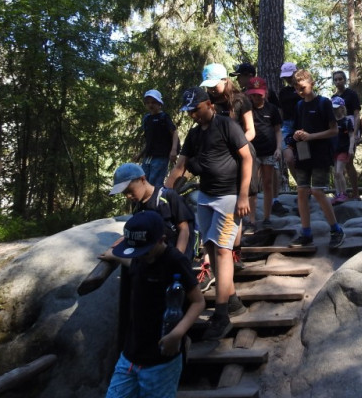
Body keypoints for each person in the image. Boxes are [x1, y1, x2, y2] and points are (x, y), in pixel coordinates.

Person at [164, 86, 252, 340]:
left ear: (209, 105)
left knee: (223, 250)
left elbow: (246, 158)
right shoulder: (194, 134)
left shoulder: (226, 125)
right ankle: (232, 301)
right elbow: (181, 166)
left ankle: (221, 315)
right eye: (189, 111)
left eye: (197, 109)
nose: (193, 115)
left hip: (228, 196)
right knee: (210, 248)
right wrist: (164, 193)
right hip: (206, 197)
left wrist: (243, 195)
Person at [101, 210, 204, 398]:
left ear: (161, 240)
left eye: (144, 251)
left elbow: (198, 302)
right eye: (136, 252)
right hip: (130, 354)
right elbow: (132, 262)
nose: (140, 256)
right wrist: (114, 255)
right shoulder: (140, 257)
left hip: (161, 359)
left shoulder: (175, 261)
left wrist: (177, 334)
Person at [288, 69, 345, 248]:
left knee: (318, 191)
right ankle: (306, 233)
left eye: (302, 87)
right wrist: (296, 135)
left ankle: (336, 230)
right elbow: (296, 128)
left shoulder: (324, 103)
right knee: (301, 191)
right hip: (303, 153)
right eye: (297, 88)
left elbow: (334, 130)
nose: (300, 91)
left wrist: (311, 136)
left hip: (321, 153)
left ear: (311, 84)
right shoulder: (299, 106)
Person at [200, 63, 258, 236]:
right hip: (219, 155)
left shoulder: (241, 100)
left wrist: (236, 144)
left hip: (242, 150)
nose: (212, 89)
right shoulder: (208, 102)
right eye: (208, 86)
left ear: (225, 80)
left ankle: (252, 222)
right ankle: (234, 237)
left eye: (214, 85)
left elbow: (251, 130)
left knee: (247, 189)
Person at [110, 162, 196, 260]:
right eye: (124, 193)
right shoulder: (137, 206)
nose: (128, 196)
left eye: (130, 190)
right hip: (154, 257)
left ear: (142, 179)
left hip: (174, 254)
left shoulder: (168, 197)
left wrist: (177, 257)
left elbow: (184, 229)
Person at [246, 76, 283, 230]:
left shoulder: (272, 109)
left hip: (269, 151)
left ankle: (267, 217)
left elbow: (278, 130)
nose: (256, 97)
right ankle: (251, 220)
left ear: (265, 93)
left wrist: (279, 148)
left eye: (259, 94)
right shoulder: (247, 109)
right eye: (253, 95)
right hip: (252, 152)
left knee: (268, 183)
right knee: (252, 185)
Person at [135, 89, 179, 186]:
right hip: (148, 156)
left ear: (159, 104)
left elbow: (174, 132)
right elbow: (148, 140)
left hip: (161, 155)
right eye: (148, 103)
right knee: (144, 181)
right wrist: (140, 154)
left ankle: (156, 196)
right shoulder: (146, 119)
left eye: (153, 102)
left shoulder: (164, 117)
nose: (150, 105)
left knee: (155, 182)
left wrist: (174, 150)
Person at [332, 70, 361, 200]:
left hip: (350, 126)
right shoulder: (333, 97)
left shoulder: (351, 94)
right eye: (336, 79)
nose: (338, 81)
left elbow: (356, 114)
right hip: (338, 130)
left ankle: (355, 193)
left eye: (340, 79)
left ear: (345, 80)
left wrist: (355, 133)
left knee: (349, 162)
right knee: (339, 165)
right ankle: (341, 192)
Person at [276, 62, 301, 212]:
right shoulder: (283, 92)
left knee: (303, 158)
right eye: (285, 77)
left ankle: (304, 189)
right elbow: (280, 110)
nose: (287, 79)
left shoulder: (302, 89)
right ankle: (301, 186)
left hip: (301, 126)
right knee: (289, 159)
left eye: (289, 76)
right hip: (286, 126)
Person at [330, 96, 356, 205]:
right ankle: (338, 193)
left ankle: (344, 193)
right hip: (334, 150)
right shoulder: (332, 122)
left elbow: (351, 136)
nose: (335, 110)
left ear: (342, 108)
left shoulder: (347, 121)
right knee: (335, 173)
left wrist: (351, 148)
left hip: (343, 149)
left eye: (337, 108)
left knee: (339, 172)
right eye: (334, 108)